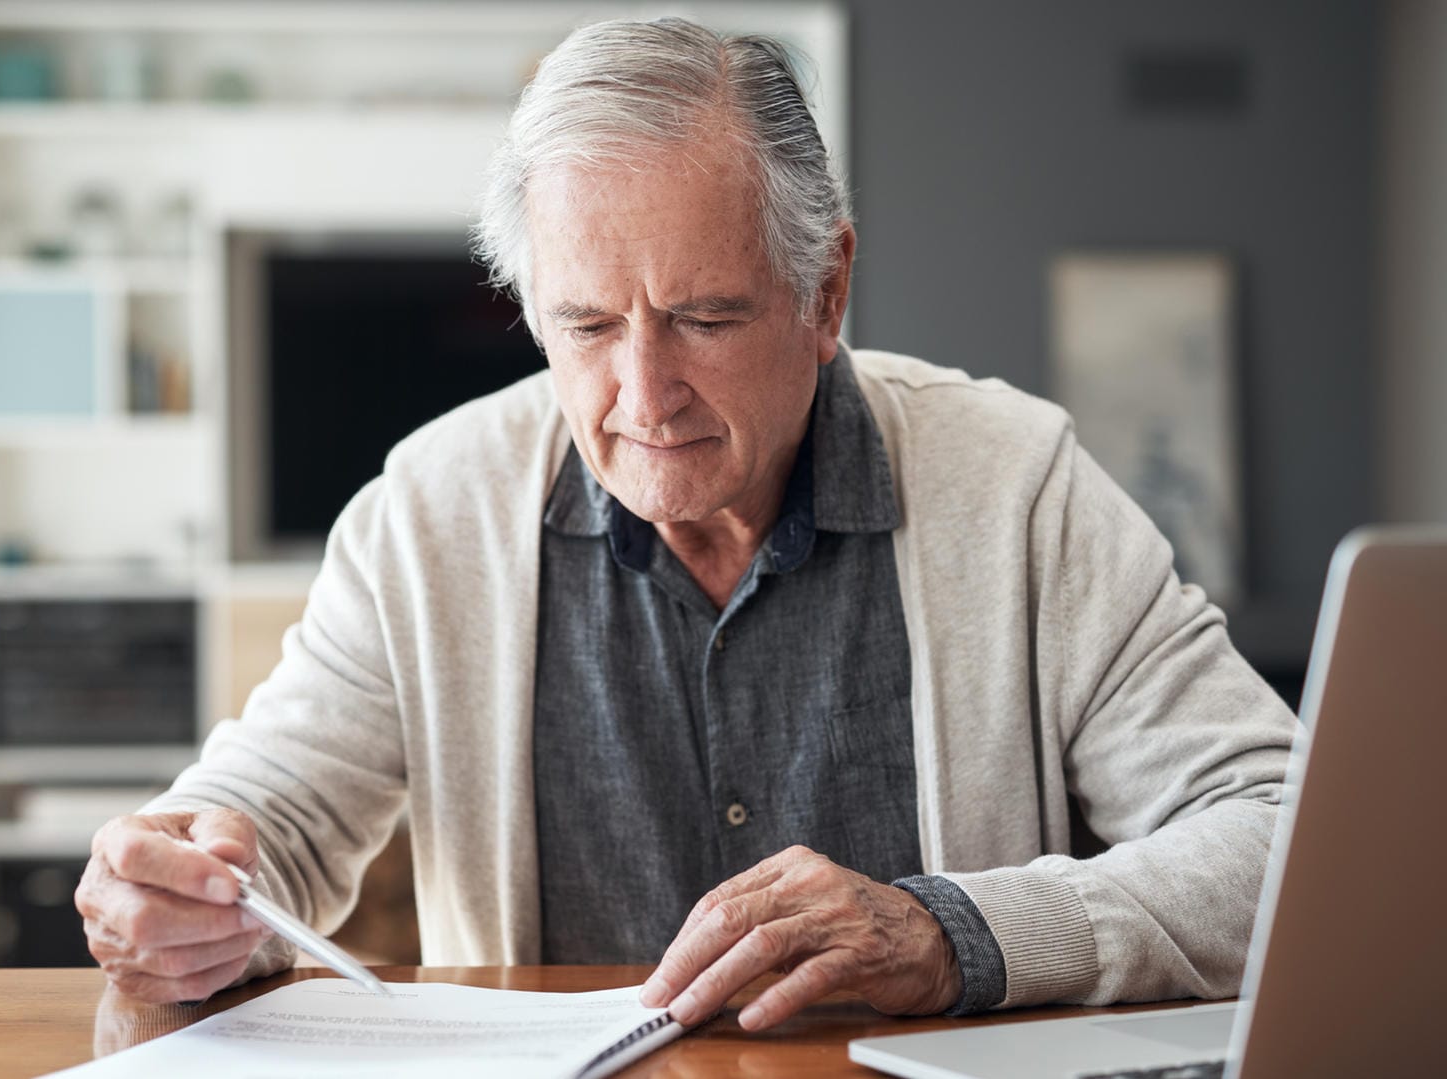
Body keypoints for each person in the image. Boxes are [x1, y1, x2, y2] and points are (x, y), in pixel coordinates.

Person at [74, 17, 1296, 1030]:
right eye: (590, 326)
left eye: (705, 318)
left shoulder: (1020, 487)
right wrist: (185, 878)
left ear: (827, 290)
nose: (643, 399)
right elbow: (265, 818)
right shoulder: (427, 514)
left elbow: (1283, 836)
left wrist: (950, 930)